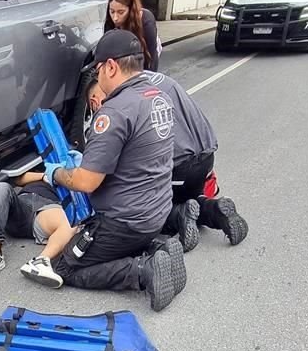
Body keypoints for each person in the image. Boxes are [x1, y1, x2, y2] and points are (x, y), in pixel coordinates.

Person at [19, 29, 185, 311]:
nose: (97, 78)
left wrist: (56, 173)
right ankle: (158, 250)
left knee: (63, 266)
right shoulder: (158, 96)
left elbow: (86, 182)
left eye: (97, 70)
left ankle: (143, 271)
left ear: (110, 66)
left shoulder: (113, 112)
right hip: (156, 212)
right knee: (95, 246)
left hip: (124, 222)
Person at [86, 71, 248, 252]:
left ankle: (179, 218)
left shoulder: (122, 103)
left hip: (178, 167)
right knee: (187, 199)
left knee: (141, 213)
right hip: (205, 159)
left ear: (94, 100)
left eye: (93, 108)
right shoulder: (153, 78)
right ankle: (215, 209)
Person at [0, 172, 77, 284]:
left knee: (70, 222)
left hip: (47, 208)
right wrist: (46, 176)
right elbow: (18, 179)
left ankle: (40, 262)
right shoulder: (49, 167)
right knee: (1, 186)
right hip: (21, 205)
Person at [105, 0, 161, 71]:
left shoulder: (146, 21)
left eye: (121, 12)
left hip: (144, 62)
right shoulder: (109, 21)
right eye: (112, 11)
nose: (115, 18)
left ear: (131, 9)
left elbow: (151, 59)